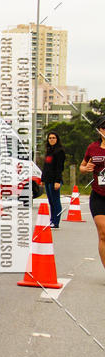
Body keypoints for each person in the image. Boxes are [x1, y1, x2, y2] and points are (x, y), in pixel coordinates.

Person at [79, 116, 105, 272]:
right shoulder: (93, 148)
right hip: (98, 196)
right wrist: (86, 168)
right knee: (103, 233)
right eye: (104, 127)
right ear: (99, 130)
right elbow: (82, 166)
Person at [41, 131, 65, 229]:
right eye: (50, 138)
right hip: (48, 180)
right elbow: (46, 166)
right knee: (51, 202)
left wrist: (57, 181)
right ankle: (52, 220)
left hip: (54, 180)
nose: (51, 139)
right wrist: (43, 179)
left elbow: (60, 168)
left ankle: (56, 222)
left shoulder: (60, 151)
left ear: (57, 139)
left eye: (53, 138)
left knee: (56, 201)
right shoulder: (49, 151)